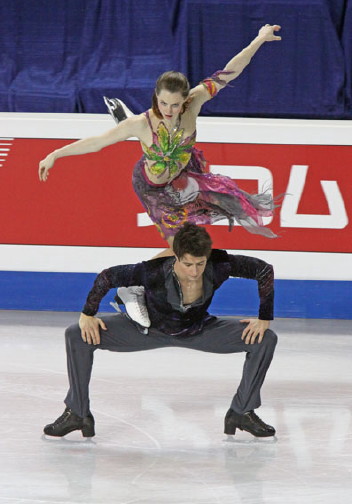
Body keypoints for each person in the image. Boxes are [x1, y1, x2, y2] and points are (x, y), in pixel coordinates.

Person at [38, 24, 281, 327]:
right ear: (156, 97)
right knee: (182, 245)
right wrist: (56, 154)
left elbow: (230, 71)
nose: (169, 109)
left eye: (175, 104)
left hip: (184, 178)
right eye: (163, 103)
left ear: (185, 99)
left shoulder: (195, 102)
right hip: (153, 188)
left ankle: (134, 286)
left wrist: (258, 39)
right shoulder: (143, 124)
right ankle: (130, 288)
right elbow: (98, 142)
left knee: (214, 222)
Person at [43, 223, 278, 439]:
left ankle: (242, 412)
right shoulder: (151, 271)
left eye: (200, 264)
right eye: (187, 264)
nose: (195, 271)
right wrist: (87, 314)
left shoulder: (220, 264)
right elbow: (107, 277)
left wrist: (264, 317)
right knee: (76, 334)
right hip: (147, 329)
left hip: (198, 329)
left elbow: (264, 270)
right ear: (175, 256)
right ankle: (77, 413)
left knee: (264, 339)